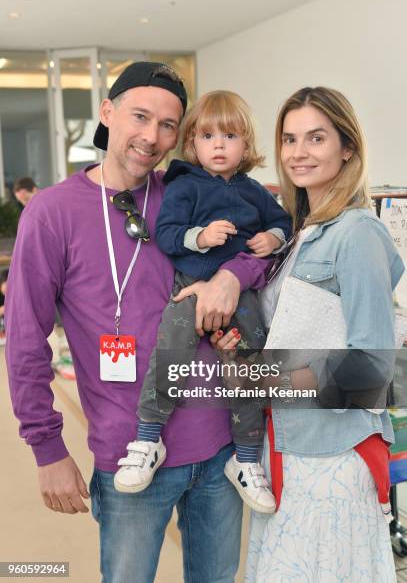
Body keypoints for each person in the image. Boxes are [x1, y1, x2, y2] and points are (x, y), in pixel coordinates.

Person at [5, 61, 272, 583]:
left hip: (221, 449)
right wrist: (47, 448)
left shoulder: (187, 191)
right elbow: (24, 338)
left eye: (168, 125)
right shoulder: (51, 212)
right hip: (130, 453)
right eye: (140, 116)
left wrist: (232, 277)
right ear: (107, 113)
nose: (152, 136)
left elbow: (262, 245)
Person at [214, 87, 404, 582]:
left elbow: (372, 369)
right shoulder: (303, 232)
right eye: (290, 138)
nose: (298, 152)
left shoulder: (357, 234)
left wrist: (270, 377)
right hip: (289, 448)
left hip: (332, 456)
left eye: (316, 138)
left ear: (347, 147)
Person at [114, 90, 291, 515]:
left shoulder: (255, 191)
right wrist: (201, 236)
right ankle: (148, 436)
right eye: (207, 135)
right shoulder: (184, 185)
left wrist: (275, 237)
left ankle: (246, 459)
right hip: (191, 286)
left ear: (245, 145)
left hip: (243, 296)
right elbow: (168, 233)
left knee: (249, 366)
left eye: (229, 135)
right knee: (171, 350)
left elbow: (282, 222)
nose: (217, 144)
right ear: (191, 143)